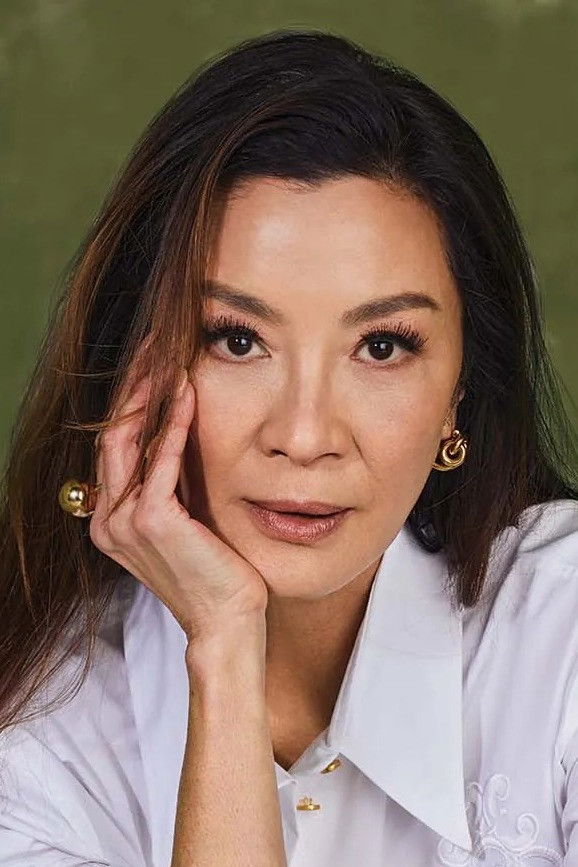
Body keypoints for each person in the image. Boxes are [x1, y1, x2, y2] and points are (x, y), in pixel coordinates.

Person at [1, 26, 577, 867]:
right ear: (137, 366)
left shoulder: (561, 637)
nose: (305, 436)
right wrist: (225, 647)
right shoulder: (40, 740)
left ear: (460, 393)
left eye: (382, 345)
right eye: (237, 339)